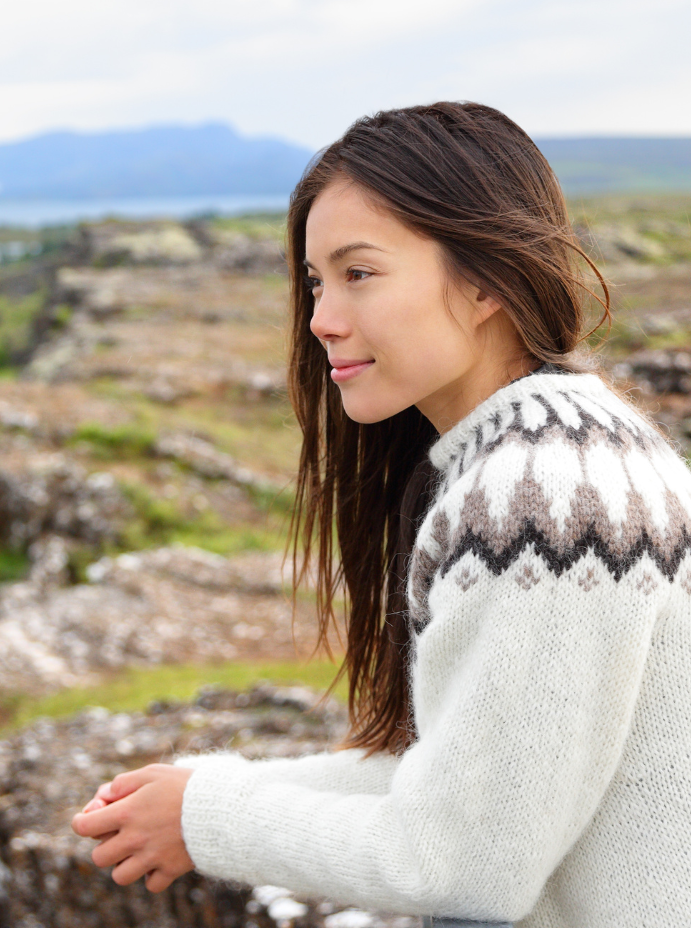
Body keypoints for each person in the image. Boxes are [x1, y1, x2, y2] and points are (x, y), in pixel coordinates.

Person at [68, 101, 691, 926]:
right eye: (317, 281)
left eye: (359, 273)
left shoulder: (540, 503)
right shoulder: (576, 452)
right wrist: (201, 796)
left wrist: (207, 817)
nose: (323, 319)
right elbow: (471, 782)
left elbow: (461, 862)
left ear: (485, 282)